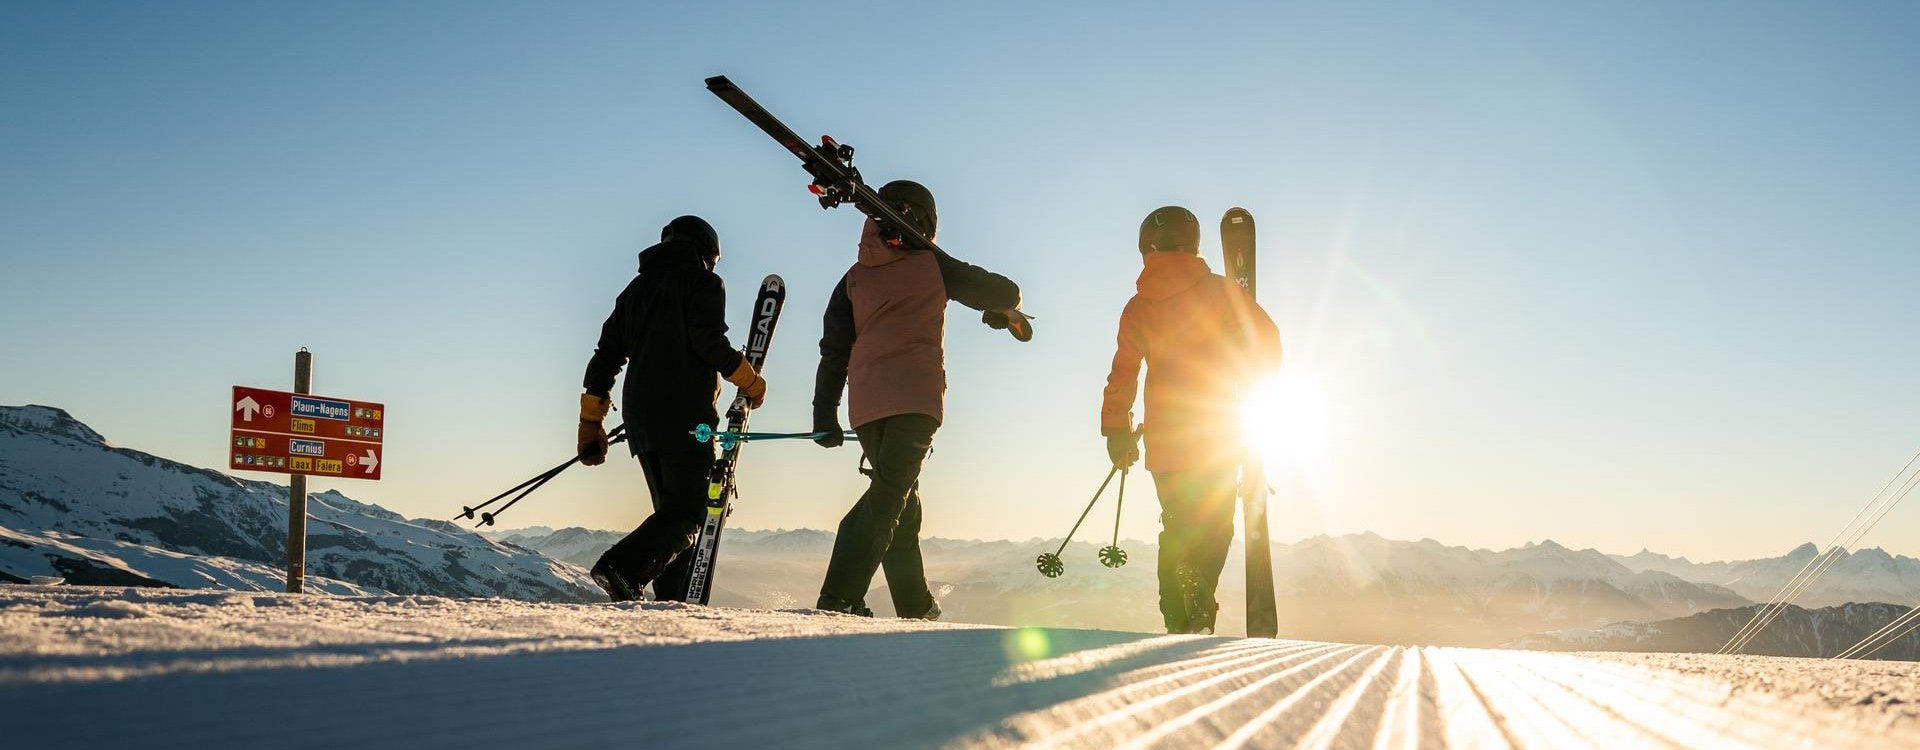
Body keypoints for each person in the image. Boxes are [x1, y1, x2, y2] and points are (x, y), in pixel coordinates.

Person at [812, 179, 1024, 619]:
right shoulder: (934, 267)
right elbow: (1006, 292)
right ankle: (839, 599)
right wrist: (948, 268)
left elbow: (834, 352)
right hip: (914, 400)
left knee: (901, 506)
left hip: (866, 407)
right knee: (889, 498)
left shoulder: (852, 279)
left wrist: (824, 413)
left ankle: (915, 607)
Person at [1101, 206, 1281, 634]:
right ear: (1194, 243)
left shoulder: (1138, 307)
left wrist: (1116, 430)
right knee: (1214, 525)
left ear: (1148, 248)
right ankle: (1197, 587)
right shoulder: (1221, 292)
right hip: (1218, 429)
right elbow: (1268, 346)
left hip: (1167, 438)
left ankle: (1177, 618)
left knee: (1179, 524)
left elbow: (1123, 373)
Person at [579, 215, 767, 602]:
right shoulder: (703, 282)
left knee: (671, 513)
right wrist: (749, 380)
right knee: (693, 511)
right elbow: (707, 341)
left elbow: (605, 358)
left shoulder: (634, 291)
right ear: (708, 253)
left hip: (640, 419)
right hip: (684, 411)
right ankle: (622, 567)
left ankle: (671, 601)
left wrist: (591, 422)